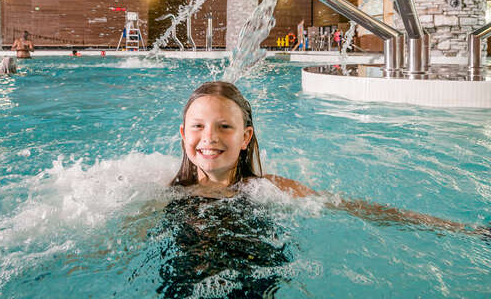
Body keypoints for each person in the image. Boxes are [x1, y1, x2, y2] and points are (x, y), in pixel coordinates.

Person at [172, 81, 486, 233]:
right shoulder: (163, 190)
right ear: (185, 134)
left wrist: (460, 229)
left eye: (224, 126)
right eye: (199, 126)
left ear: (245, 137)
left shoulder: (267, 188)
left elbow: (349, 206)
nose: (210, 137)